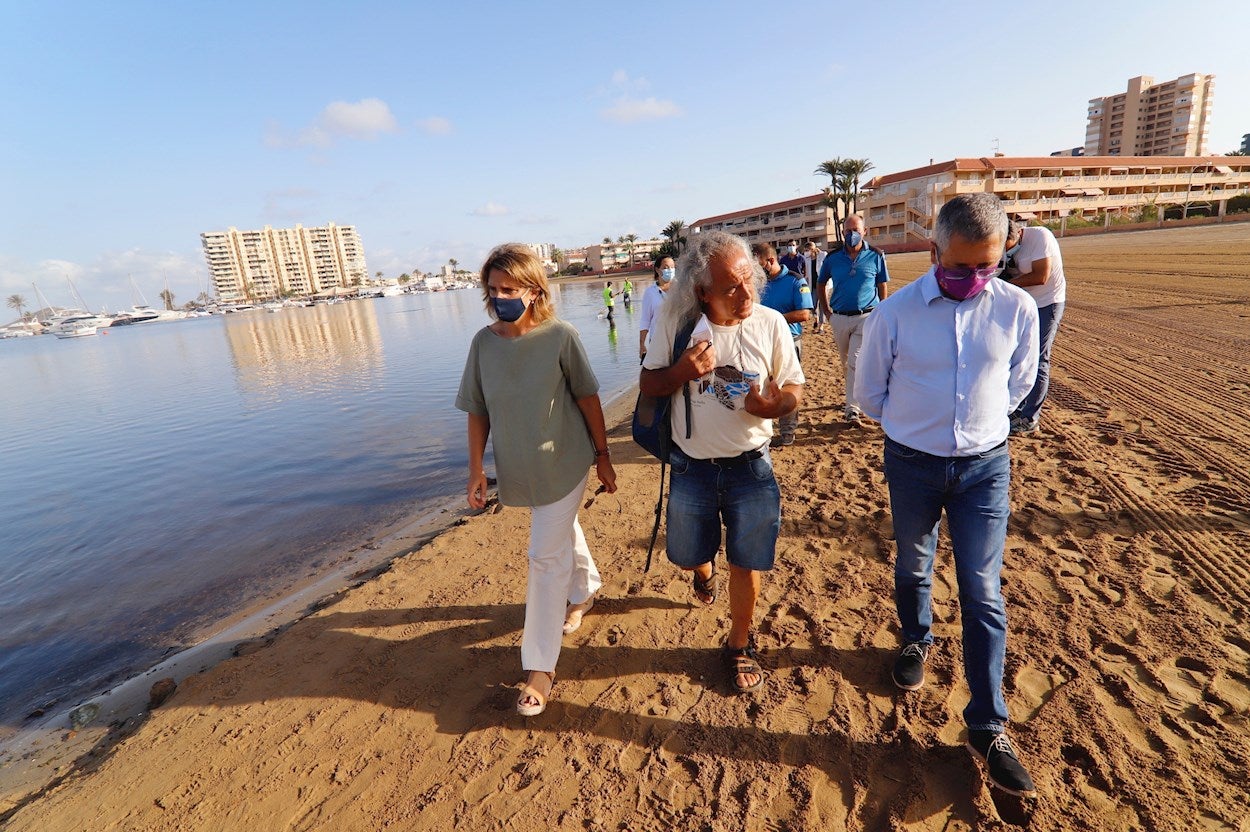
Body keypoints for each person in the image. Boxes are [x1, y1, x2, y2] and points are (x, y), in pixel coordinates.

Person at [855, 194, 1040, 797]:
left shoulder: (1016, 309)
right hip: (910, 463)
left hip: (985, 467)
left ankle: (987, 725)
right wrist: (920, 429)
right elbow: (870, 394)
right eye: (961, 267)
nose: (974, 279)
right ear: (934, 252)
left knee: (982, 589)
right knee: (913, 562)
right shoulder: (896, 313)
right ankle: (916, 639)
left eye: (987, 266)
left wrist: (973, 431)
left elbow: (1018, 384)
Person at [456, 243, 618, 718]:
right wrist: (475, 469)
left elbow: (588, 398)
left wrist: (604, 457)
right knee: (559, 529)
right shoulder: (482, 344)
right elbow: (477, 410)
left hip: (565, 463)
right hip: (519, 469)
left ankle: (540, 667)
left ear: (533, 290)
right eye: (493, 289)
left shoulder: (560, 336)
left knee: (544, 558)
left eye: (509, 288)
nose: (500, 296)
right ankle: (586, 587)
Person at [640, 231, 804, 694]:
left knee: (746, 561)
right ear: (702, 292)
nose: (746, 292)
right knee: (691, 553)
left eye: (749, 280)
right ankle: (701, 573)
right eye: (731, 286)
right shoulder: (676, 325)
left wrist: (774, 407)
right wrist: (682, 372)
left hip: (752, 467)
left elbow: (793, 386)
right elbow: (649, 385)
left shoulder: (771, 323)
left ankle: (738, 643)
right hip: (692, 468)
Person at [817, 214, 890, 424]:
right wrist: (827, 312)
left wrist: (880, 310)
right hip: (839, 318)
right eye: (848, 231)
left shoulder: (876, 256)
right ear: (842, 233)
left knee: (854, 362)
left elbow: (882, 284)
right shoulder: (832, 259)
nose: (852, 235)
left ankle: (852, 409)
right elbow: (821, 284)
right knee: (846, 362)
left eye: (856, 230)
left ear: (864, 231)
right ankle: (852, 395)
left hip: (866, 317)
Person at [1000, 220, 1067, 435]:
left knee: (1038, 358)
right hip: (1023, 303)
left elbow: (1041, 275)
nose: (1006, 250)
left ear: (1019, 233)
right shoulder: (1001, 244)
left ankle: (1030, 418)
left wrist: (1006, 285)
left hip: (1047, 302)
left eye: (1009, 245)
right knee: (1016, 356)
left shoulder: (1040, 237)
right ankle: (1016, 409)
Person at [751, 242, 813, 447]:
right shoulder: (757, 284)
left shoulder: (795, 281)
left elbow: (805, 314)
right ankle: (764, 432)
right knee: (762, 386)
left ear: (770, 261)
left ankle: (787, 432)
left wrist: (773, 319)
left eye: (758, 264)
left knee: (788, 385)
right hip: (760, 343)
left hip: (789, 342)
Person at [639, 255, 675, 359]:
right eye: (666, 267)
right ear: (657, 270)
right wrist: (642, 345)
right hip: (657, 342)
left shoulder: (680, 289)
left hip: (678, 341)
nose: (670, 270)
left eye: (672, 267)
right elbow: (645, 321)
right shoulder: (650, 293)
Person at [806, 242, 828, 333]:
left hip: (822, 284)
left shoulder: (823, 255)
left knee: (822, 305)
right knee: (813, 305)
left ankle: (821, 326)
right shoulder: (806, 259)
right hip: (812, 285)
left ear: (812, 249)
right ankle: (816, 318)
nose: (806, 252)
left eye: (807, 250)